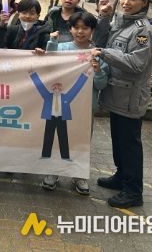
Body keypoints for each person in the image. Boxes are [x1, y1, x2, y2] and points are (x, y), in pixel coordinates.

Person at [90, 0, 152, 209]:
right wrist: (104, 17)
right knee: (118, 140)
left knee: (129, 144)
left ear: (144, 3)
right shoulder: (121, 23)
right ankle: (122, 176)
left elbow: (137, 64)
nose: (127, 2)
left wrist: (105, 54)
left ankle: (133, 191)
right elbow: (99, 40)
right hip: (117, 94)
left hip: (130, 98)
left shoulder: (142, 31)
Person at [38, 12, 108, 195]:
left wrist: (98, 71)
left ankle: (79, 175)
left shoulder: (98, 54)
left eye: (85, 28)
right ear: (70, 29)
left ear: (92, 30)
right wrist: (50, 44)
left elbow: (101, 85)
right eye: (76, 27)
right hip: (60, 107)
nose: (80, 31)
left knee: (81, 141)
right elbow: (48, 67)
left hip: (85, 108)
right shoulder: (62, 48)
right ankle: (53, 172)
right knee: (57, 141)